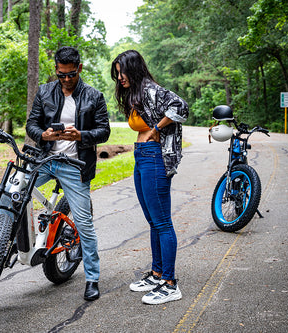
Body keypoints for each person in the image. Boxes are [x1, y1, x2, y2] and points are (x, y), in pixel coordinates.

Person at [26, 46, 110, 301]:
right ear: (56, 71)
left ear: (79, 69)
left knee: (84, 224)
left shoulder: (94, 96)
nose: (66, 79)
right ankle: (14, 245)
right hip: (47, 159)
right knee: (16, 193)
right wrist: (43, 135)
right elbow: (31, 124)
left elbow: (104, 131)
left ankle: (92, 279)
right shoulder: (44, 91)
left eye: (70, 74)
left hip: (75, 165)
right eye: (61, 75)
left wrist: (81, 136)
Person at [111, 50, 188, 305]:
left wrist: (156, 129)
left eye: (122, 71)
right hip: (142, 155)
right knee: (154, 221)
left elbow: (180, 106)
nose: (120, 77)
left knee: (163, 222)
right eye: (117, 73)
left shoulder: (150, 89)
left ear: (133, 68)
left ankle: (170, 282)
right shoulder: (137, 93)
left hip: (155, 156)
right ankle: (157, 274)